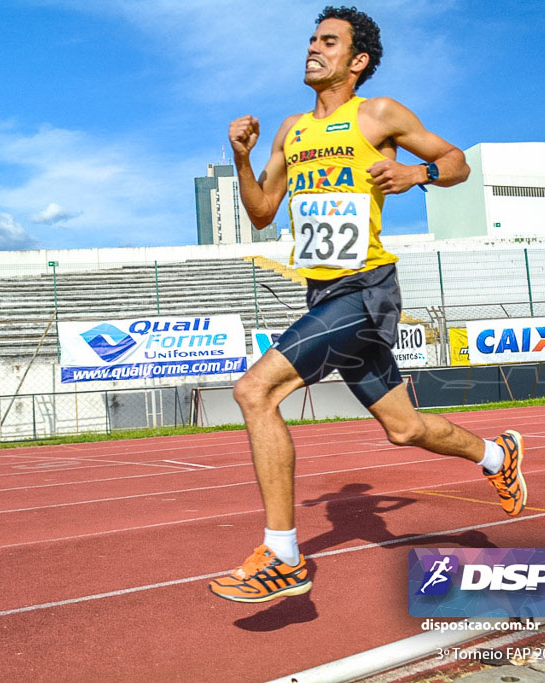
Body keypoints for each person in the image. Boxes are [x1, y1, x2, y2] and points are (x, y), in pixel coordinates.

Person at [209, 6, 526, 604]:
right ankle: (495, 453)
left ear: (357, 62)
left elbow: (457, 162)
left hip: (366, 288)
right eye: (311, 39)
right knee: (405, 430)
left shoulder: (377, 114)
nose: (313, 48)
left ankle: (282, 556)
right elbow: (259, 212)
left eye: (328, 42)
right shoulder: (291, 129)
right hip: (323, 291)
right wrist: (243, 157)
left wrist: (417, 173)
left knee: (256, 391)